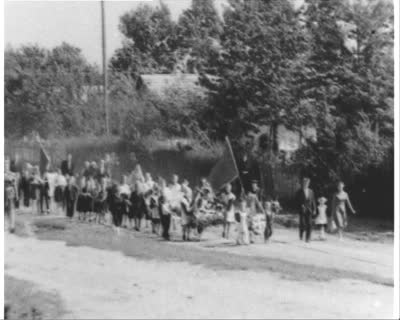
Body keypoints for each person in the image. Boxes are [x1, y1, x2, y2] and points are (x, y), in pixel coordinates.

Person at [295, 177, 316, 243]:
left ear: (308, 183)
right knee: (302, 223)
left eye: (307, 183)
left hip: (309, 209)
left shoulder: (311, 191)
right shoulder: (299, 192)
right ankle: (301, 233)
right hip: (302, 209)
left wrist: (314, 209)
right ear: (302, 183)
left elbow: (313, 201)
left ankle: (308, 238)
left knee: (309, 224)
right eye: (304, 183)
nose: (306, 184)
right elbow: (296, 201)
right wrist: (301, 205)